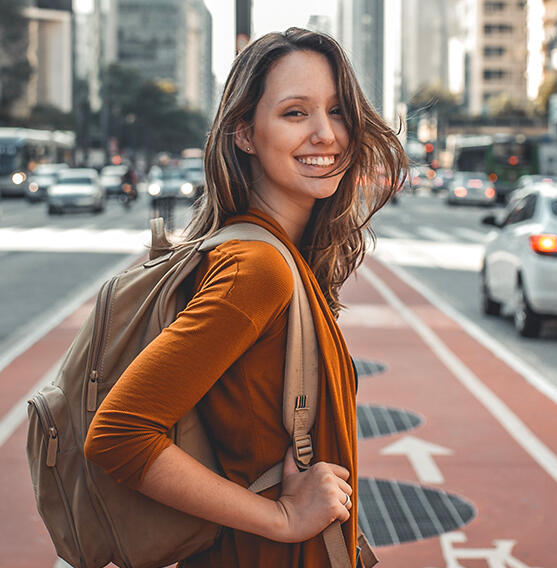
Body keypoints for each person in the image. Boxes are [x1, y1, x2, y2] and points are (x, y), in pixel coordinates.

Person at [84, 27, 406, 567]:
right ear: (245, 134)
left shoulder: (273, 253)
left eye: (337, 110)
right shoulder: (257, 269)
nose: (326, 134)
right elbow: (120, 433)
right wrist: (283, 519)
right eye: (295, 113)